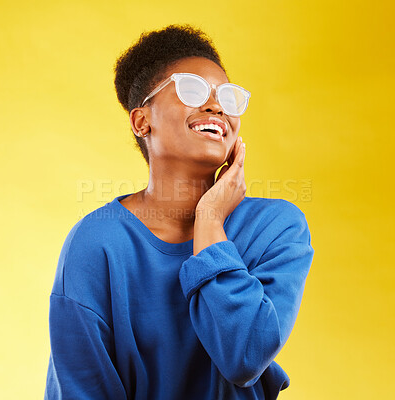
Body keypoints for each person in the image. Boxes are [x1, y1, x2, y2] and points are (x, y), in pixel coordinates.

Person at [44, 24, 314, 400]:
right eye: (192, 90)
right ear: (142, 121)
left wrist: (210, 221)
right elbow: (82, 389)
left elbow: (243, 356)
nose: (216, 106)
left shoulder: (276, 228)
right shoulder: (96, 243)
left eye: (229, 98)